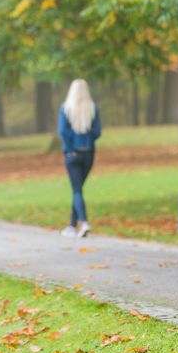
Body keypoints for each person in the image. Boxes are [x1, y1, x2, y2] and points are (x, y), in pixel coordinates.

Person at [58, 79, 102, 238]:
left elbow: (62, 131)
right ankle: (71, 225)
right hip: (88, 153)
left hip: (72, 154)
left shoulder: (66, 109)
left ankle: (83, 222)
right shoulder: (92, 109)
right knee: (78, 190)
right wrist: (86, 139)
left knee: (77, 190)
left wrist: (71, 147)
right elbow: (97, 132)